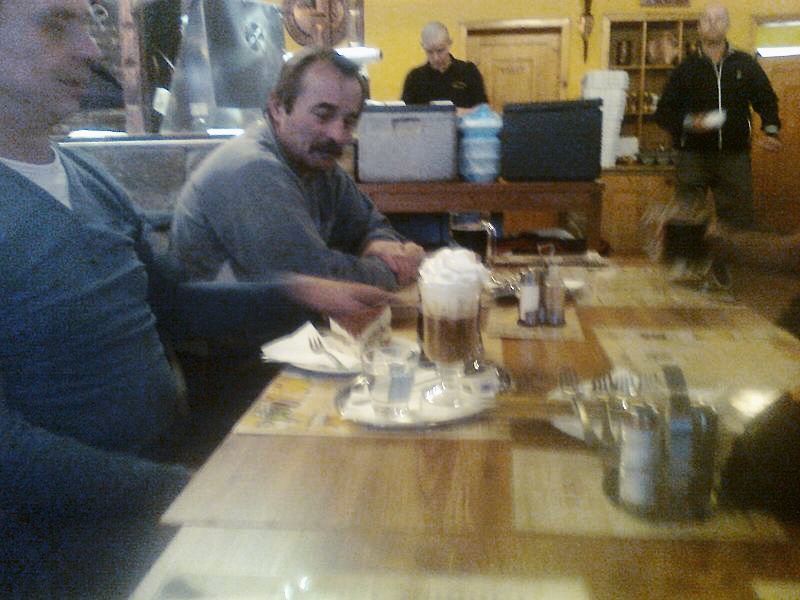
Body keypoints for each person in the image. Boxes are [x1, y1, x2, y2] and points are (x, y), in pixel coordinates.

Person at [0, 2, 393, 596]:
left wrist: (298, 290)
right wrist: (188, 489)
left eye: (86, 23)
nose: (90, 48)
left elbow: (176, 305)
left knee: (364, 502)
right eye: (58, 24)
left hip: (167, 467)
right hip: (62, 538)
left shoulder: (88, 180)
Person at [172, 47, 424, 290]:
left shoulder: (318, 165)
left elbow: (369, 223)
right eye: (323, 115)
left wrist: (382, 245)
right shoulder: (253, 169)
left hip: (276, 317)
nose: (339, 135)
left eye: (349, 121)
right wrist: (392, 270)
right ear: (277, 108)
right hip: (226, 320)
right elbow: (317, 280)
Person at [654, 3, 782, 230]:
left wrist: (771, 130)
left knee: (738, 225)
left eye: (719, 19)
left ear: (727, 24)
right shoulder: (685, 68)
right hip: (692, 157)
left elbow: (766, 98)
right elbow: (664, 113)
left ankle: (732, 255)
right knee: (687, 224)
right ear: (699, 26)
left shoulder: (745, 64)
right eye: (707, 19)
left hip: (734, 157)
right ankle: (691, 254)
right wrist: (689, 122)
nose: (713, 24)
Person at [401, 21, 488, 110]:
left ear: (449, 43)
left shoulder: (468, 71)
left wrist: (457, 112)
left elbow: (483, 110)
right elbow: (405, 113)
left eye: (440, 50)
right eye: (429, 52)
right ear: (423, 46)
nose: (436, 58)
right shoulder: (414, 78)